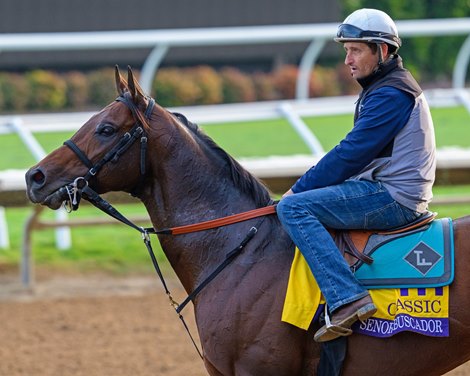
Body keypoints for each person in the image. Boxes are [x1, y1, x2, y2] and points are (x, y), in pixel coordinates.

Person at [276, 8, 436, 342]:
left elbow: (351, 153)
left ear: (383, 51)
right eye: (346, 50)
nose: (347, 59)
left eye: (356, 50)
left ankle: (347, 299)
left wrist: (297, 190)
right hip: (387, 189)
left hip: (394, 198)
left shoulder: (392, 92)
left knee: (293, 208)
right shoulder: (382, 86)